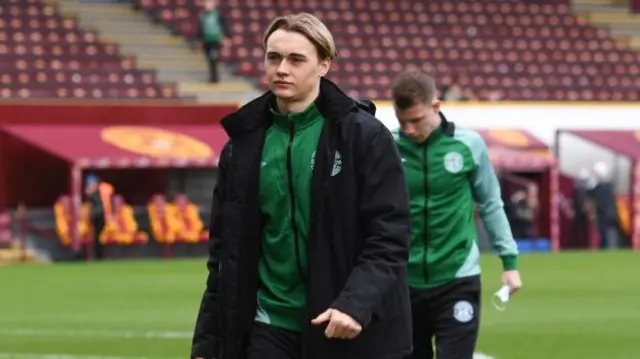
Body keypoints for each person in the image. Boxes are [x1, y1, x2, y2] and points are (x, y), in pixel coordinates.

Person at [191, 12, 412, 359]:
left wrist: (355, 303)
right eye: (273, 57)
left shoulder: (362, 136)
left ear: (324, 64)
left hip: (345, 322)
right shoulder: (241, 145)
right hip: (268, 326)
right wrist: (207, 342)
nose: (281, 69)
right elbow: (223, 254)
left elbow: (390, 234)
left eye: (296, 60)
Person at [389, 70, 523, 359]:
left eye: (416, 120)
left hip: (457, 278)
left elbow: (490, 203)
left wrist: (509, 262)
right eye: (403, 121)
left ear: (435, 107)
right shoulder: (387, 146)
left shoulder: (469, 144)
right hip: (403, 283)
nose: (409, 129)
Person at [196, 0, 229, 83]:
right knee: (209, 59)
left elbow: (224, 26)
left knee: (213, 57)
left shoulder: (218, 15)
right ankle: (212, 76)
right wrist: (199, 39)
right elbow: (200, 28)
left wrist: (225, 38)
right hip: (207, 40)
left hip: (216, 40)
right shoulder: (203, 15)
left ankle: (214, 78)